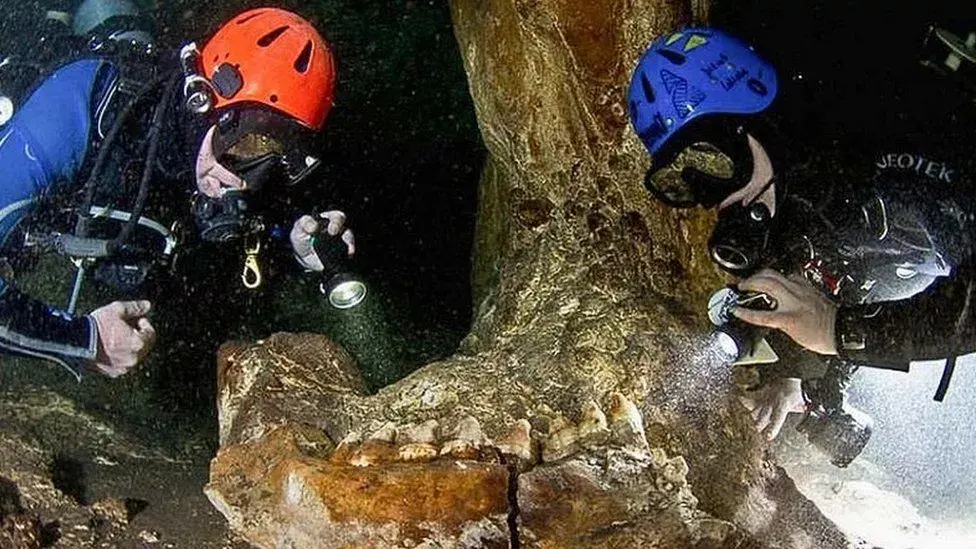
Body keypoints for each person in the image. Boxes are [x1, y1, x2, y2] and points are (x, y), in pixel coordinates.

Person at [626, 27, 976, 451]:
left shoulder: (907, 136)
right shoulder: (795, 185)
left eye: (711, 159)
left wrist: (837, 330)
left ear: (753, 121)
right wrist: (799, 378)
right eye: (683, 179)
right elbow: (847, 284)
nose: (713, 199)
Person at [0, 3, 355, 380]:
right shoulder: (76, 109)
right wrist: (84, 339)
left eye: (280, 156)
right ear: (202, 101)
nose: (245, 179)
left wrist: (295, 247)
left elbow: (259, 233)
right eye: (249, 143)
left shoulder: (227, 162)